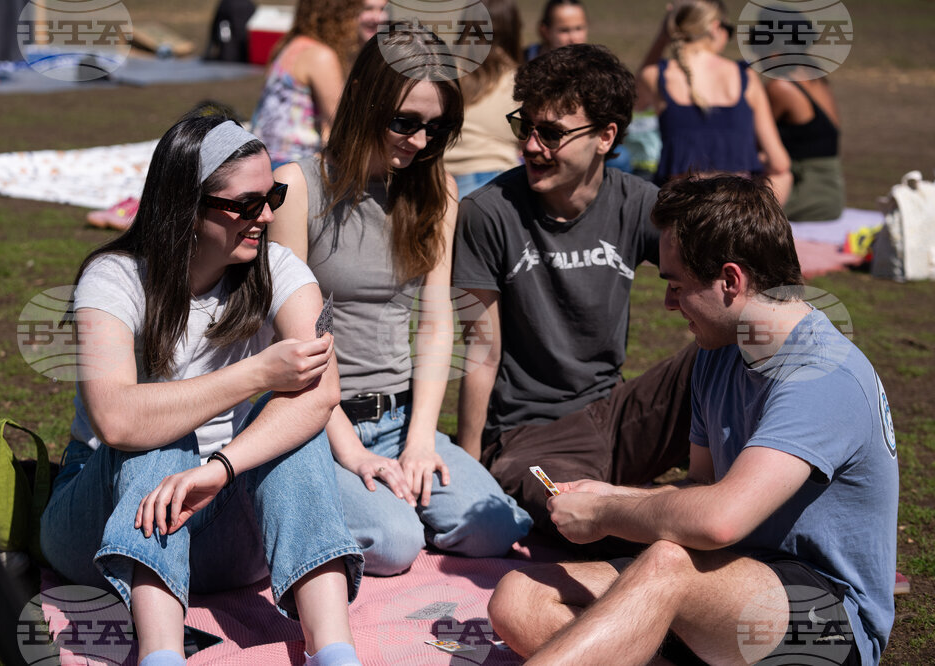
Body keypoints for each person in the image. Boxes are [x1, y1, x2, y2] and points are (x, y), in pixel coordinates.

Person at [487, 174, 899, 666]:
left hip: (831, 628)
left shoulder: (821, 376)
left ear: (731, 280)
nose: (667, 303)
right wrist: (610, 494)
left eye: (676, 285)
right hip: (723, 584)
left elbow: (720, 520)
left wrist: (604, 514)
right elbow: (701, 486)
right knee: (521, 596)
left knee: (667, 563)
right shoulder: (720, 351)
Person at [40, 111, 365, 666]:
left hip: (229, 517)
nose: (266, 216)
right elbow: (116, 420)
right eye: (245, 204)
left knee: (296, 430)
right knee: (159, 438)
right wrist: (258, 373)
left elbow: (320, 395)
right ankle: (161, 654)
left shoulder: (279, 270)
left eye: (274, 196)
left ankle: (334, 652)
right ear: (186, 208)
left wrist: (220, 469)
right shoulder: (115, 277)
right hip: (104, 529)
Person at [270, 32, 532, 576]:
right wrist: (351, 451)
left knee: (495, 528)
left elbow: (437, 325)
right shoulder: (297, 187)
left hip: (399, 415)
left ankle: (391, 502)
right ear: (364, 96)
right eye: (404, 121)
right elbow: (291, 338)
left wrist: (418, 442)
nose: (418, 141)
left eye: (436, 129)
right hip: (316, 419)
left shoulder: (437, 191)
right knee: (393, 543)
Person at [453, 43, 696, 552]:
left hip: (618, 412)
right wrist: (470, 461)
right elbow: (481, 347)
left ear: (606, 136)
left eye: (553, 133)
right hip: (528, 438)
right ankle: (678, 516)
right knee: (574, 513)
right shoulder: (487, 214)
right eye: (527, 127)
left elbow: (711, 278)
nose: (533, 146)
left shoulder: (640, 204)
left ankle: (742, 502)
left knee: (737, 350)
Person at [636, 0, 792, 202]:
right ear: (715, 27)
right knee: (783, 176)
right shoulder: (745, 77)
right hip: (733, 211)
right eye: (728, 28)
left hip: (682, 208)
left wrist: (664, 35)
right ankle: (759, 231)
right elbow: (779, 163)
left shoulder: (656, 76)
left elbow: (636, 102)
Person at [249, 0, 359, 167]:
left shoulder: (292, 45)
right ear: (339, 17)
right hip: (291, 164)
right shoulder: (319, 56)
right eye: (353, 13)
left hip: (263, 159)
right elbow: (341, 123)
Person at [443, 0, 523, 197]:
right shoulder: (517, 81)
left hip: (440, 180)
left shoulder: (445, 72)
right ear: (513, 29)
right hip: (497, 181)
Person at [767, 70, 845, 221]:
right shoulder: (816, 79)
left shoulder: (780, 87)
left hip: (804, 193)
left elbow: (756, 139)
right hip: (831, 197)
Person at [522, 0, 588, 63]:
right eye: (564, 30)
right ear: (545, 31)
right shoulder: (522, 60)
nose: (574, 38)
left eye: (579, 28)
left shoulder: (592, 65)